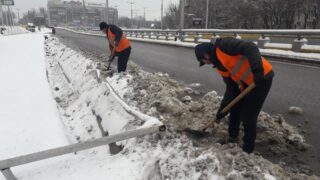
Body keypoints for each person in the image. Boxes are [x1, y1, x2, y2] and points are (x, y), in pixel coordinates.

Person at [194, 38, 274, 154]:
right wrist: (222, 111)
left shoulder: (223, 46)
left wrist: (257, 71)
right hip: (248, 82)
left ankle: (247, 150)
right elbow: (231, 90)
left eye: (203, 61)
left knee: (248, 116)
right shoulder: (220, 66)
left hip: (262, 77)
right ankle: (232, 137)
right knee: (235, 109)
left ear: (206, 55)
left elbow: (250, 46)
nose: (206, 63)